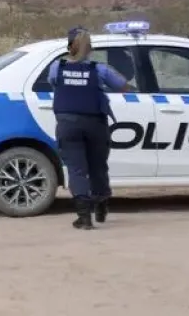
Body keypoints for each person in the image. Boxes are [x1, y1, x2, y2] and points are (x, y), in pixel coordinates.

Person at [47, 26, 132, 230]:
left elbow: (54, 84)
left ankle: (84, 217)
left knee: (77, 170)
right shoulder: (99, 69)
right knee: (98, 167)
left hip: (68, 124)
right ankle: (101, 205)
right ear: (90, 47)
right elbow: (123, 85)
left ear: (69, 46)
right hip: (95, 124)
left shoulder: (56, 67)